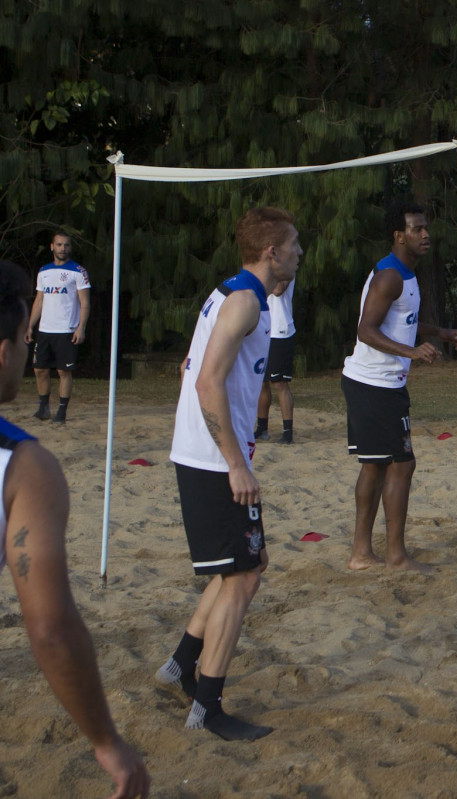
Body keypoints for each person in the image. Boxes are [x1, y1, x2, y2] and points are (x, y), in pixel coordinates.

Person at [0, 260, 151, 797]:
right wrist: (107, 740)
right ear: (6, 348)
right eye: (24, 336)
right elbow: (50, 628)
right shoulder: (25, 466)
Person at [154, 207, 301, 740]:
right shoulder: (243, 303)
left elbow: (189, 366)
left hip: (207, 453)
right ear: (272, 253)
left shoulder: (237, 293)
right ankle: (208, 706)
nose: (300, 255)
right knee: (243, 575)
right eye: (295, 246)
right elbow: (205, 381)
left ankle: (180, 664)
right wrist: (235, 463)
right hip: (215, 461)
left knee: (249, 561)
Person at [341, 200, 457, 572]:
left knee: (377, 466)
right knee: (402, 465)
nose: (425, 235)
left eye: (426, 228)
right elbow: (366, 329)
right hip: (374, 385)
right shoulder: (390, 276)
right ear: (399, 236)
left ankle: (362, 554)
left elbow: (402, 321)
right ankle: (394, 556)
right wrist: (411, 352)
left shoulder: (406, 275)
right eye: (416, 229)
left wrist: (438, 332)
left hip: (378, 384)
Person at [26, 231, 91, 423]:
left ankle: (61, 410)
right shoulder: (44, 271)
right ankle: (43, 407)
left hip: (66, 330)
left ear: (70, 248)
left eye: (66, 245)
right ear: (52, 247)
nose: (63, 249)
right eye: (59, 245)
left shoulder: (79, 271)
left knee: (64, 371)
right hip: (45, 330)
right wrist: (30, 326)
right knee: (39, 369)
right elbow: (39, 300)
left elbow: (85, 302)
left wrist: (81, 327)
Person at [255, 279, 296, 444]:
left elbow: (278, 289)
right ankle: (262, 428)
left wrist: (262, 281)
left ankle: (288, 432)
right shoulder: (266, 266)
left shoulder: (287, 266)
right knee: (261, 382)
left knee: (279, 383)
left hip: (280, 331)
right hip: (262, 328)